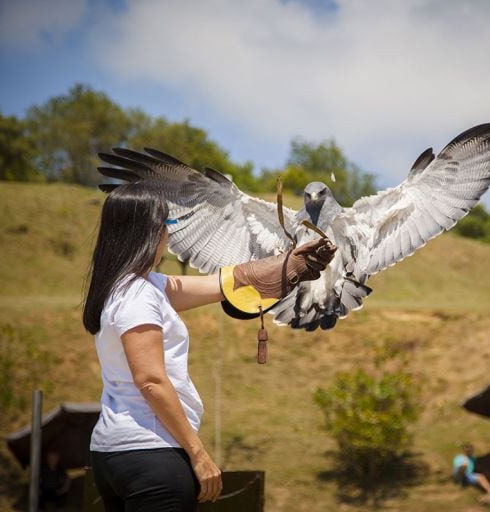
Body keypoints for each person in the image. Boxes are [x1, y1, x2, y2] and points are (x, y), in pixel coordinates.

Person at [83, 183, 336, 511]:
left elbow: (219, 284)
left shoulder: (126, 288)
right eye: (166, 226)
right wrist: (198, 454)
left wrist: (286, 265)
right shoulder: (139, 297)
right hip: (152, 453)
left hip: (114, 454)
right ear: (147, 232)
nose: (168, 236)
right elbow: (151, 382)